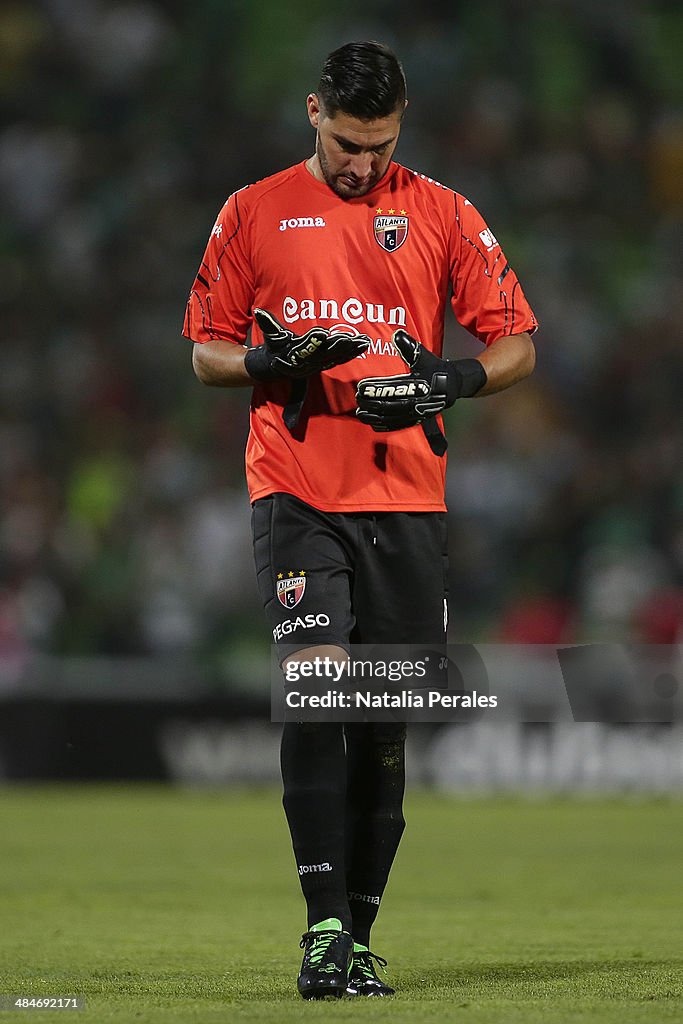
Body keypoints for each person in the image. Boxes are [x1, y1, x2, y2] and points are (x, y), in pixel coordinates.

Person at [183, 40, 538, 999]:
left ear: (401, 123)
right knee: (316, 691)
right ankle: (323, 929)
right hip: (296, 488)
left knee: (383, 725)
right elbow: (208, 353)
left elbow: (515, 344)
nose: (362, 164)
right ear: (312, 114)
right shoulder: (252, 212)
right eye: (346, 142)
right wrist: (275, 359)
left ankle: (362, 932)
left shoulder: (443, 212)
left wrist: (446, 378)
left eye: (379, 145)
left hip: (406, 499)